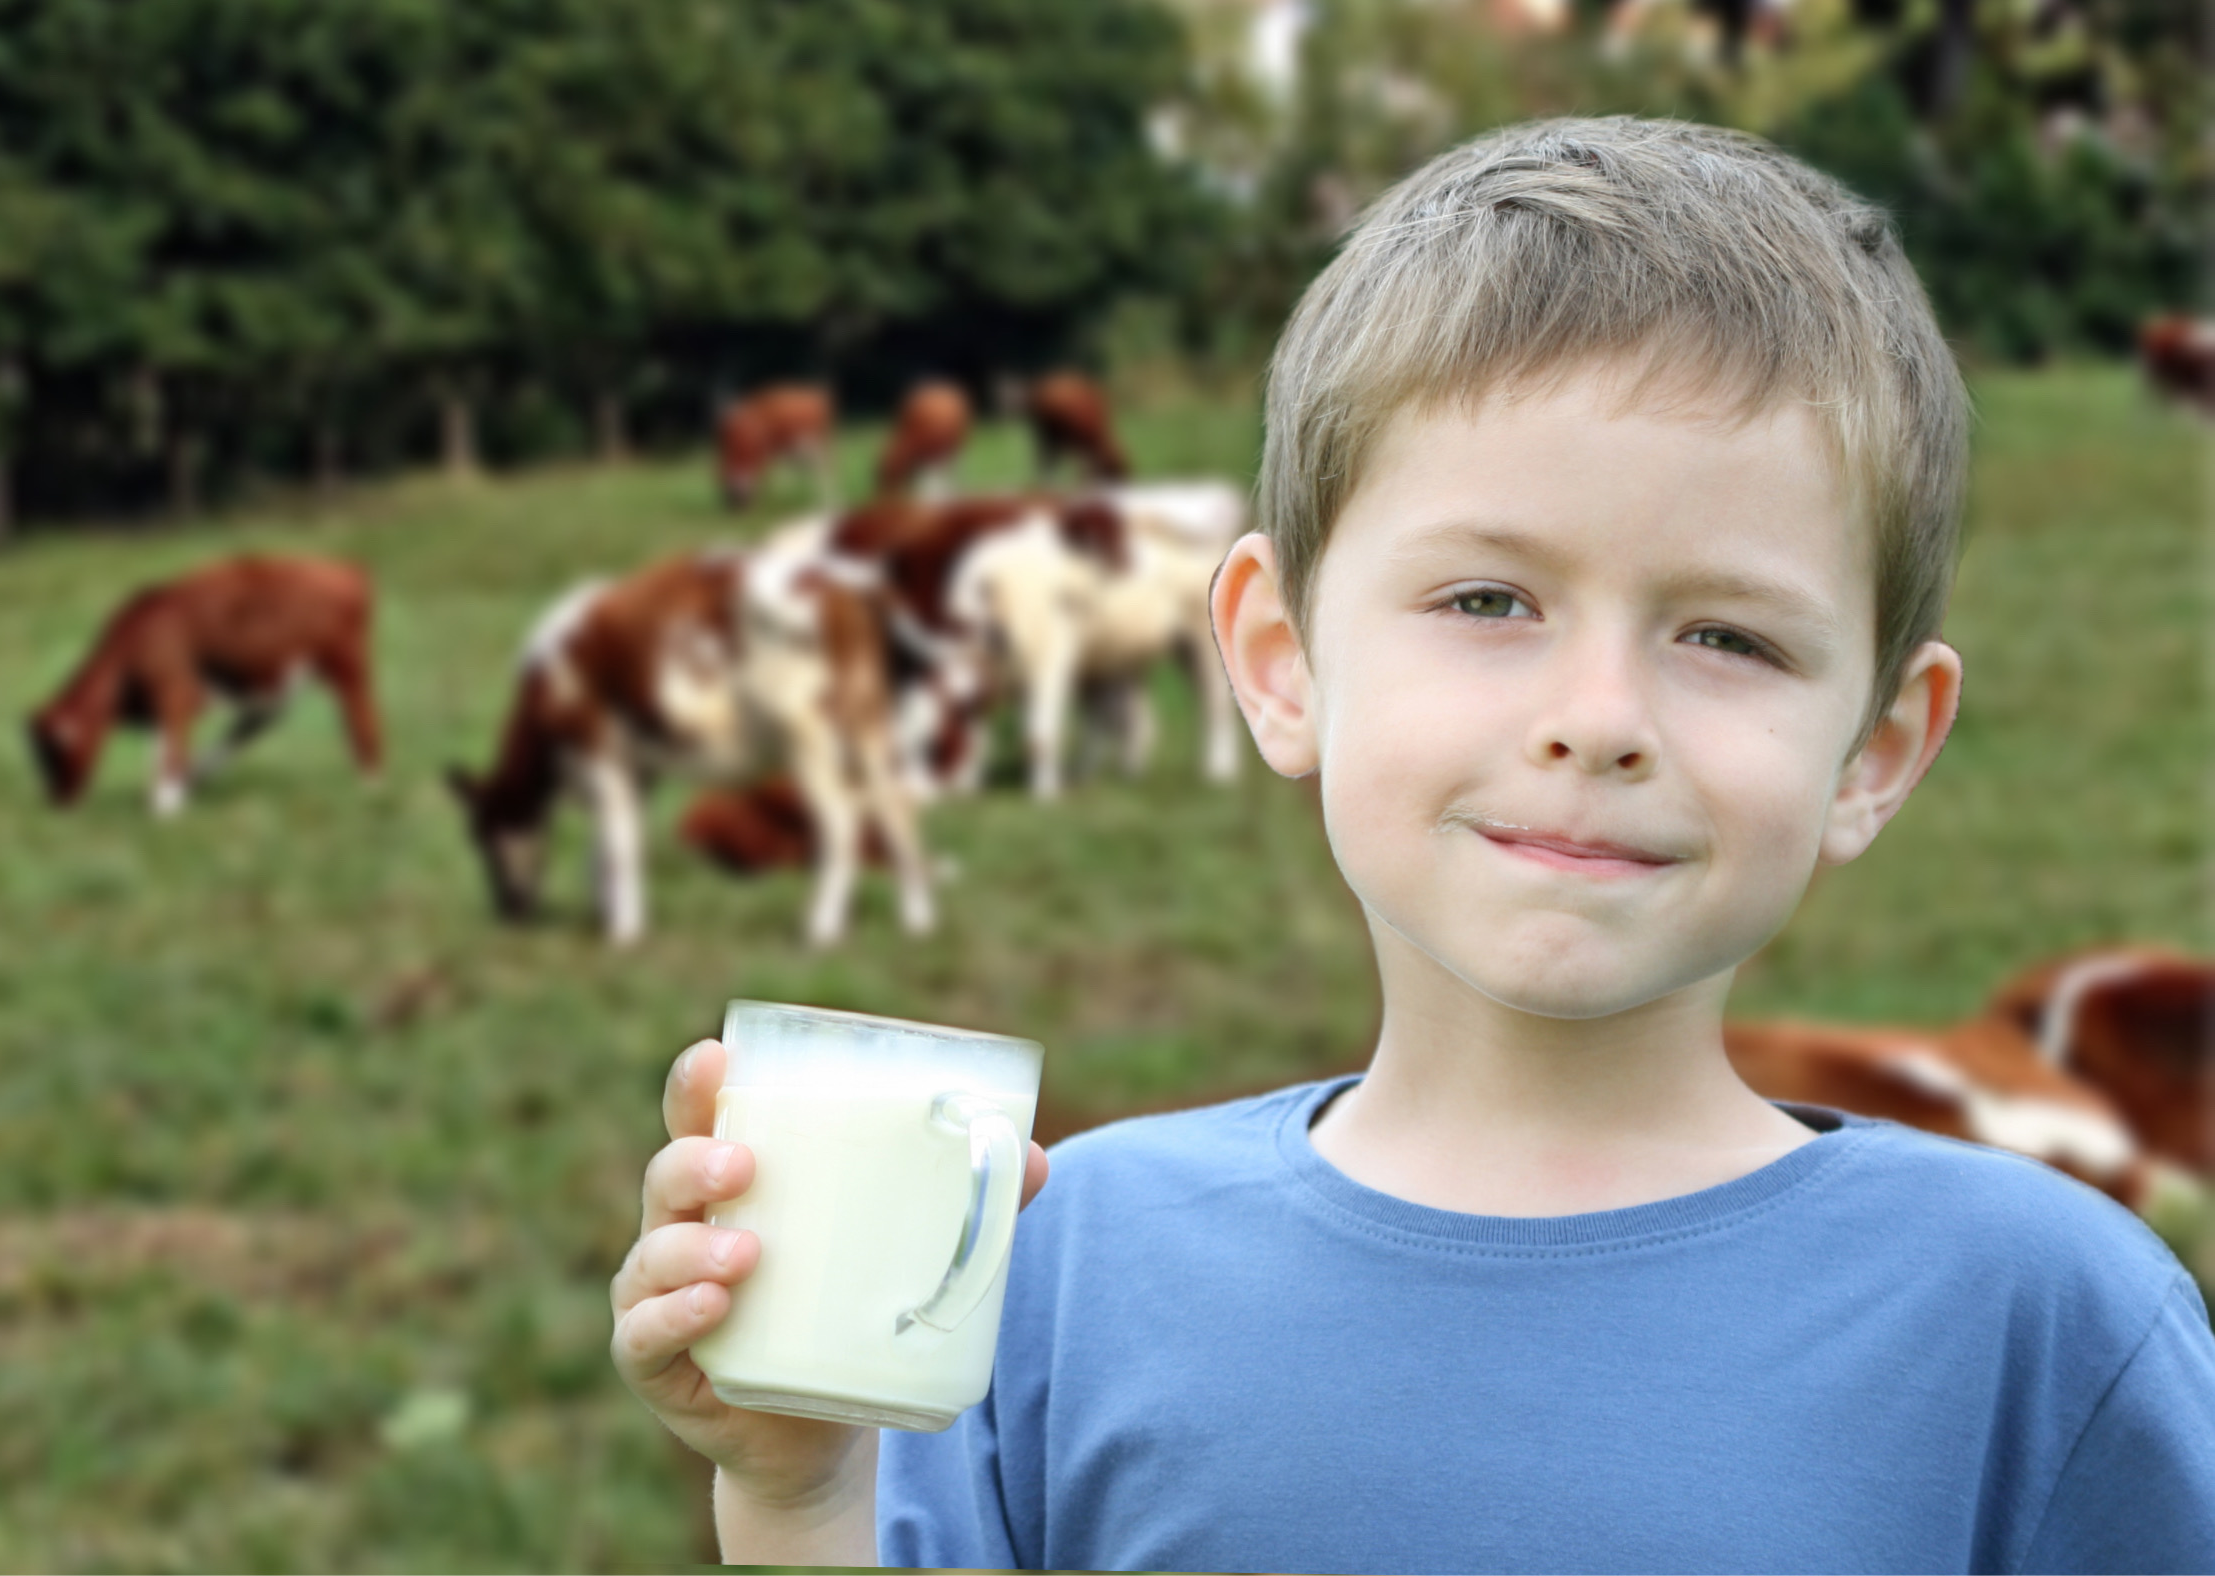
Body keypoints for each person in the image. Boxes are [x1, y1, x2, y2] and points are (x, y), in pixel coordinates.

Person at [608, 117, 2215, 1571]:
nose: (1598, 717)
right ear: (1279, 659)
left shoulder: (2041, 1321)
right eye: (1487, 602)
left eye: (1726, 636)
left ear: (1874, 749)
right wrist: (804, 1496)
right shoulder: (1053, 1272)